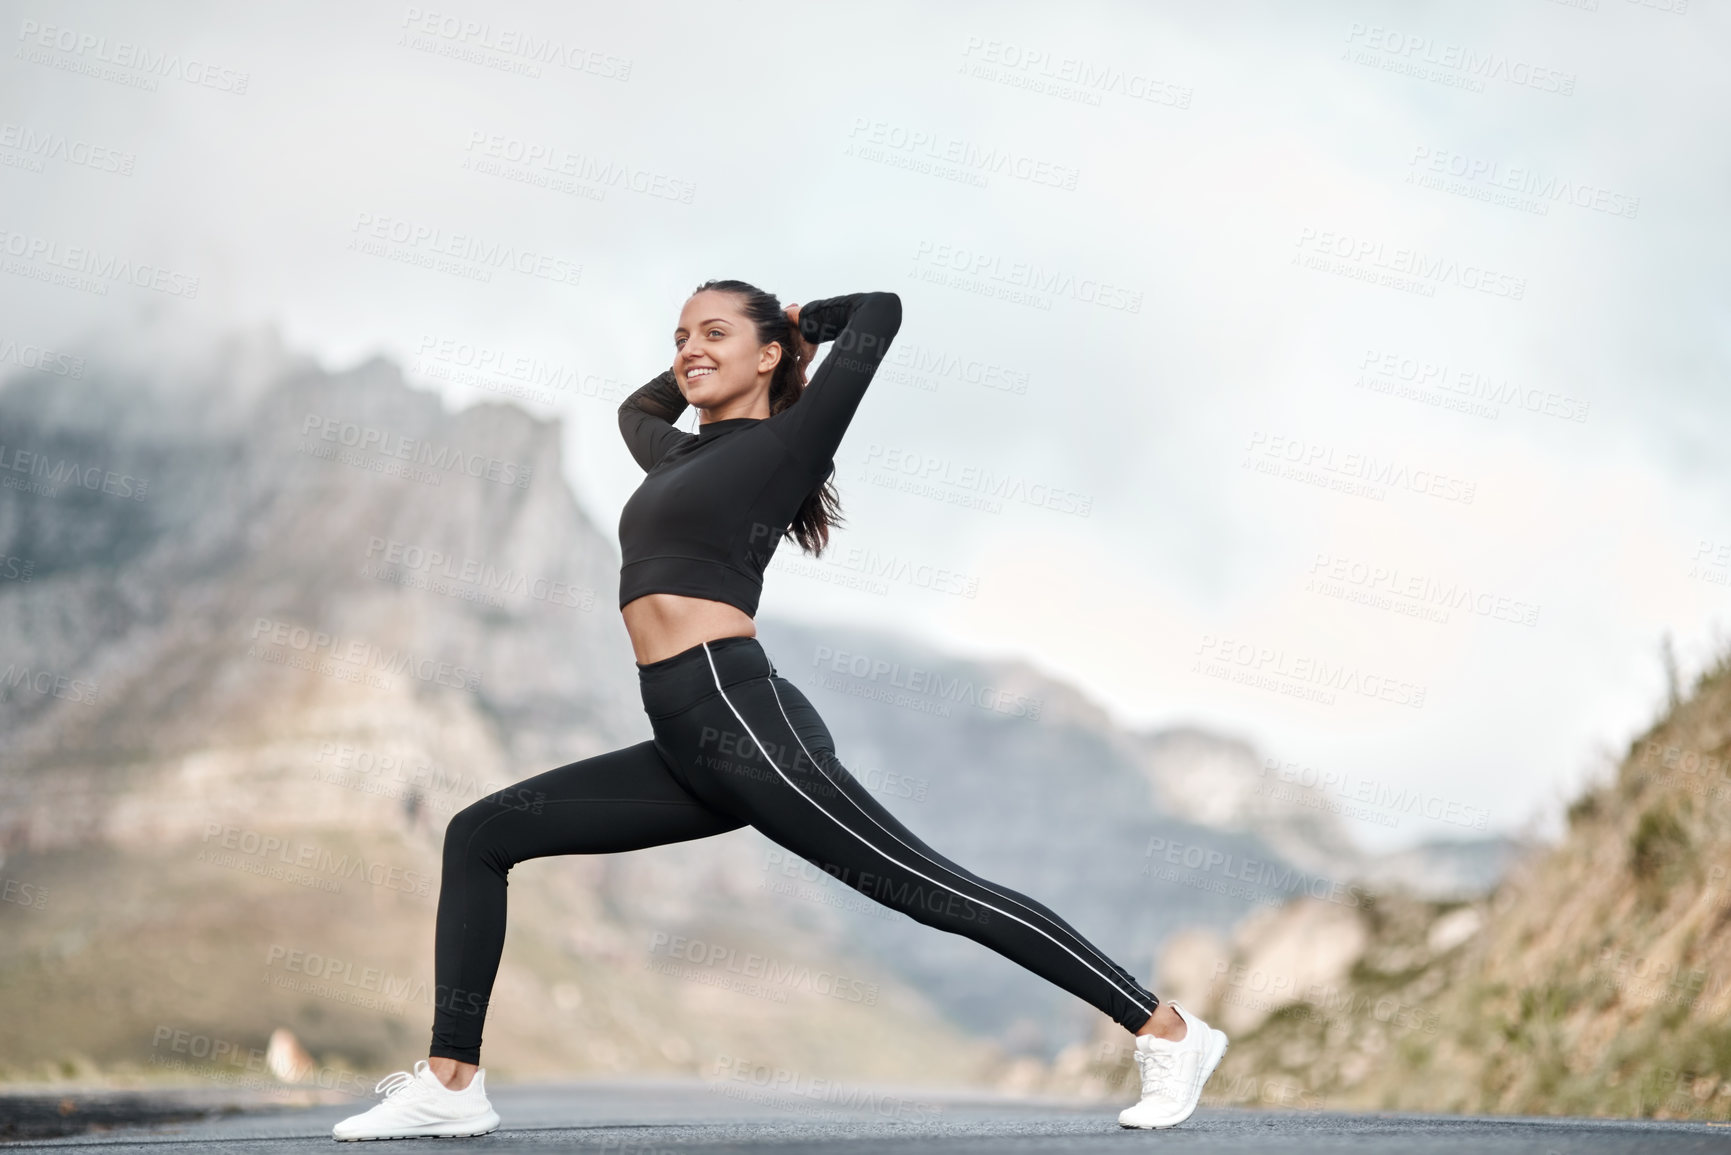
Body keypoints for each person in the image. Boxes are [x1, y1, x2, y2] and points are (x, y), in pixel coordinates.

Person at [332, 281, 1227, 1141]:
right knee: (482, 832)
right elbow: (632, 413)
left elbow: (881, 312)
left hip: (742, 714)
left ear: (768, 357)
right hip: (686, 736)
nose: (689, 350)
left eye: (714, 334)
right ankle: (452, 1083)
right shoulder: (678, 453)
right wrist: (711, 349)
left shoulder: (788, 445)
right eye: (680, 336)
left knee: (930, 888)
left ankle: (1167, 1032)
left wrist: (797, 323)